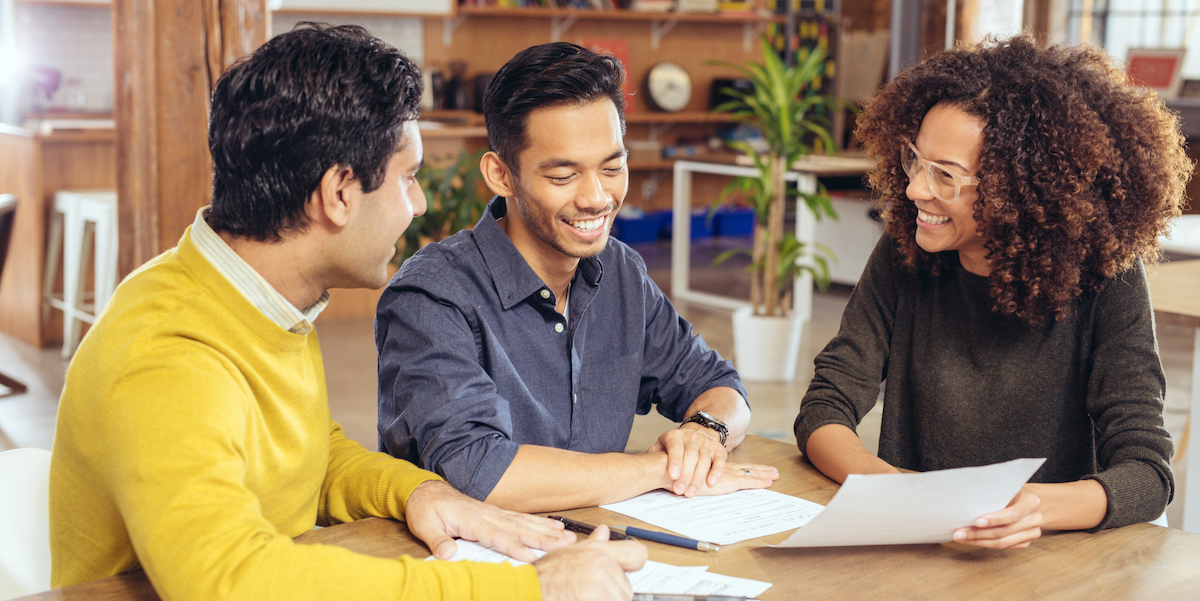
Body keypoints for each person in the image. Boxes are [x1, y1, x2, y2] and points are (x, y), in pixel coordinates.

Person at [49, 24, 647, 601]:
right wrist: (529, 589)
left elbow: (307, 454)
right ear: (339, 193)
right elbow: (228, 582)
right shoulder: (169, 354)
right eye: (407, 178)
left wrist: (417, 492)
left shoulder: (253, 297)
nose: (419, 205)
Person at [795, 34, 1187, 550]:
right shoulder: (906, 253)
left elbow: (1146, 472)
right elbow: (825, 406)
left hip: (1057, 557)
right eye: (916, 160)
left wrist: (1034, 508)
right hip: (923, 549)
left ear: (1020, 190)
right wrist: (889, 488)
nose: (915, 189)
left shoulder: (1106, 278)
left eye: (946, 176)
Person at [375, 42, 778, 513]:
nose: (596, 198)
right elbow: (479, 470)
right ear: (501, 175)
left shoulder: (622, 271)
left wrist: (704, 433)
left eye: (613, 167)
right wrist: (660, 469)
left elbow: (721, 384)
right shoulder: (433, 295)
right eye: (564, 176)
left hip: (598, 549)